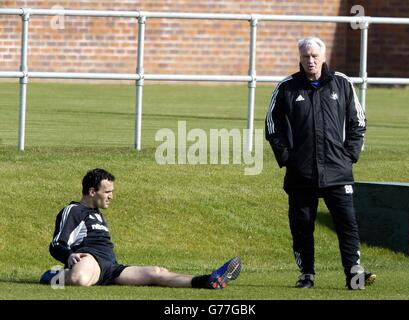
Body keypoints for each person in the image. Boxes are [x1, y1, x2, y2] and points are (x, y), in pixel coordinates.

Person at [265, 37, 375, 290]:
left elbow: (358, 121)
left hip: (338, 171)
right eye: (306, 56)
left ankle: (353, 274)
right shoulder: (287, 87)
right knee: (302, 226)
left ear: (323, 57)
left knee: (347, 224)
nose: (311, 60)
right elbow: (273, 126)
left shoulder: (342, 83)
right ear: (300, 58)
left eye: (315, 56)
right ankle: (307, 274)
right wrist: (288, 159)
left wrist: (350, 154)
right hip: (301, 173)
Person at [40, 168, 241, 289]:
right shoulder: (74, 210)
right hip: (89, 260)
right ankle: (52, 275)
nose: (111, 196)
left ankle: (208, 280)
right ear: (92, 191)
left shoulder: (97, 213)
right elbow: (56, 243)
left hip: (110, 268)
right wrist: (67, 257)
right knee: (80, 278)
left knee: (156, 272)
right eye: (107, 192)